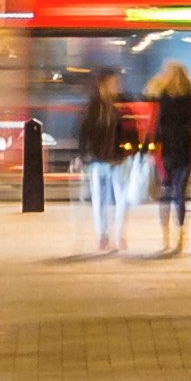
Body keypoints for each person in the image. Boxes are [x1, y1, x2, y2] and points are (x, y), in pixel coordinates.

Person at [147, 64, 191, 254]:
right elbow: (158, 124)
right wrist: (149, 146)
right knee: (166, 195)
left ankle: (180, 236)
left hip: (183, 152)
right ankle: (166, 238)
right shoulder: (164, 97)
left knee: (178, 192)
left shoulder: (189, 99)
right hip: (166, 153)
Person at [75, 69, 136, 254]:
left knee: (122, 199)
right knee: (100, 201)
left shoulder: (121, 105)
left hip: (117, 160)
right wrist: (82, 155)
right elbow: (83, 133)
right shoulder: (93, 107)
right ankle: (102, 235)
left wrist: (129, 151)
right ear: (103, 84)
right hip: (97, 161)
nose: (117, 86)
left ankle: (119, 235)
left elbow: (131, 132)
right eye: (113, 82)